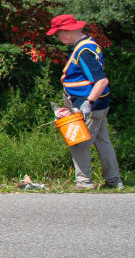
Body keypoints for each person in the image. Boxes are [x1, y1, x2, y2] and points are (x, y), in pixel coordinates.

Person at [48, 14, 123, 190]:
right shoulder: (86, 44)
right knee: (103, 141)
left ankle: (83, 182)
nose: (57, 38)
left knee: (78, 142)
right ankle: (114, 181)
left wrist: (88, 103)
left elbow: (101, 80)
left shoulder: (84, 51)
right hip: (98, 105)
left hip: (89, 106)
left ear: (66, 31)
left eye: (57, 34)